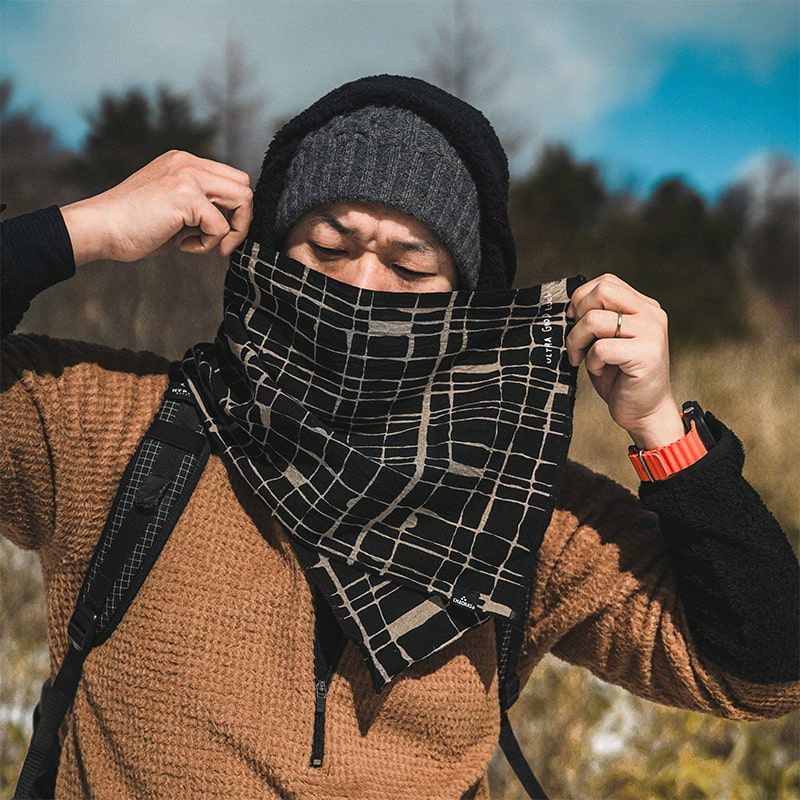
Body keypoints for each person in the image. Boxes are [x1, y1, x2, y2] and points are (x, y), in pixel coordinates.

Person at [1, 74, 798, 800]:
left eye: (411, 269)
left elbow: (763, 673)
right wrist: (77, 230)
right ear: (270, 257)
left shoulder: (519, 512)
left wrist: (661, 430)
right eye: (328, 247)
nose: (361, 286)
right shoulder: (112, 428)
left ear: (466, 306)